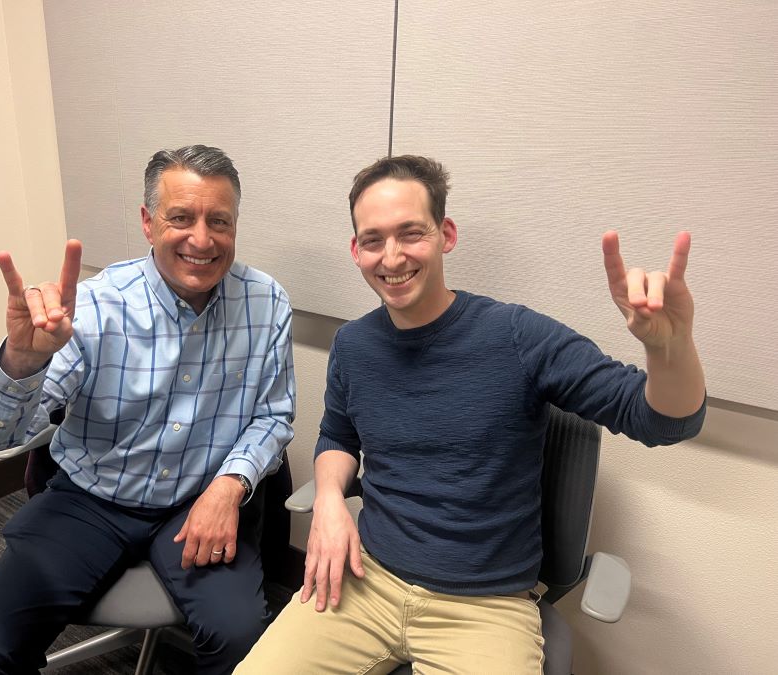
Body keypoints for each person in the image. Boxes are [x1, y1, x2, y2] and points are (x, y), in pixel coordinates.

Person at [236, 155, 705, 673]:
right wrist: (328, 498)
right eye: (373, 240)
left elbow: (661, 421)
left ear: (446, 234)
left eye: (410, 232)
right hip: (366, 581)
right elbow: (337, 436)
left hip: (485, 608)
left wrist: (669, 351)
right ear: (356, 250)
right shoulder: (354, 344)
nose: (391, 257)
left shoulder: (518, 336)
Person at [0, 145, 295, 674]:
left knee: (242, 637)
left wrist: (230, 485)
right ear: (148, 222)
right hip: (91, 497)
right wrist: (21, 361)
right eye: (181, 217)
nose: (201, 239)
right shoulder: (92, 307)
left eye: (219, 221)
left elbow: (273, 416)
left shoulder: (266, 302)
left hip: (197, 499)